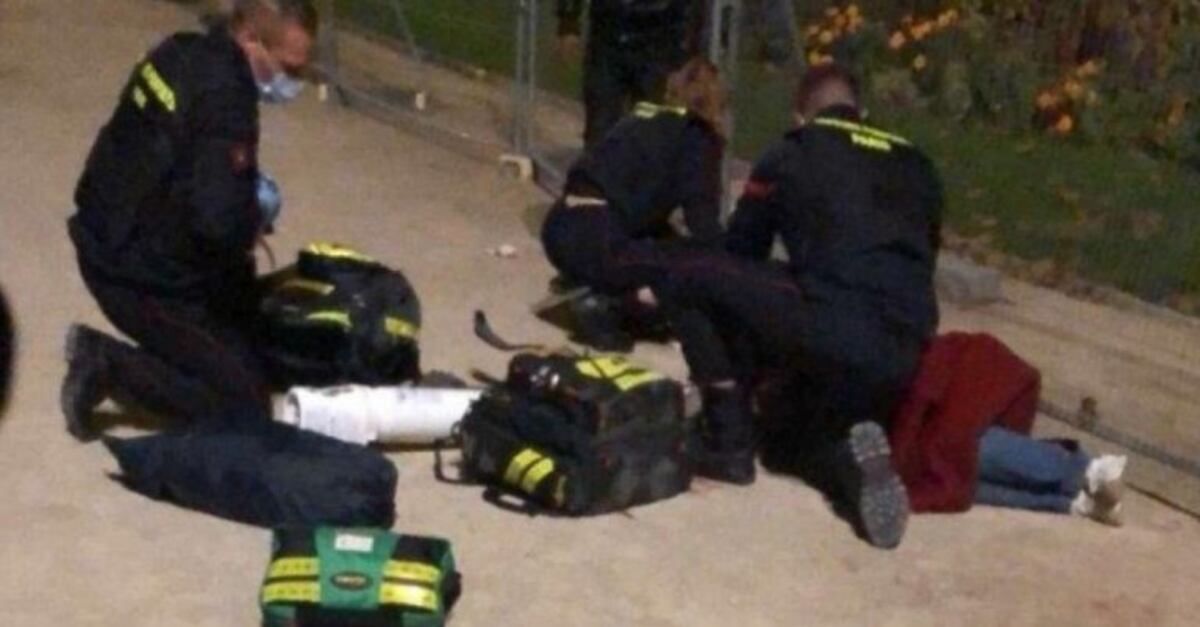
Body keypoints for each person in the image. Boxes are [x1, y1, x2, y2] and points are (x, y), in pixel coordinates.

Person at [657, 64, 942, 549]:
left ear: (799, 115)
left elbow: (739, 253)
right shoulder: (920, 166)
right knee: (790, 440)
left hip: (834, 321)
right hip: (908, 344)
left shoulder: (791, 153)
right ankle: (848, 465)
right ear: (863, 113)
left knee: (689, 273)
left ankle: (727, 437)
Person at [61, 0, 319, 440]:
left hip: (105, 233)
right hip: (137, 278)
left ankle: (199, 350)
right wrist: (254, 216)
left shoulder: (181, 52)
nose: (293, 83)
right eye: (288, 69)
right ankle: (107, 365)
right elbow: (217, 223)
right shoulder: (227, 97)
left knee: (240, 334)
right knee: (246, 403)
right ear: (251, 39)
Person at [540, 58, 726, 351]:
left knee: (662, 244)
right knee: (692, 264)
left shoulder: (641, 117)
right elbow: (703, 224)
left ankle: (588, 283)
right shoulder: (696, 137)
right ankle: (609, 305)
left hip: (559, 227)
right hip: (598, 237)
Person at [557, 0, 704, 147]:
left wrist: (691, 45)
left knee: (655, 133)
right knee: (601, 128)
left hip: (662, 37)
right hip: (609, 35)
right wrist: (568, 23)